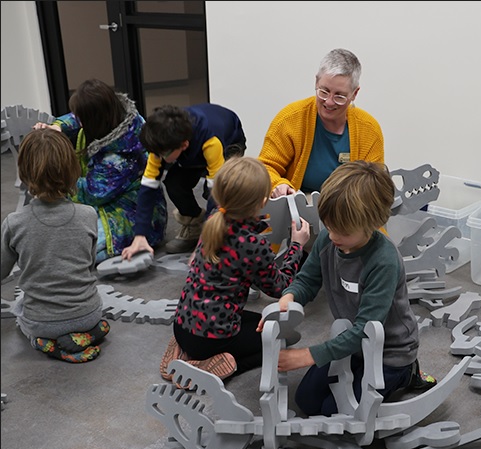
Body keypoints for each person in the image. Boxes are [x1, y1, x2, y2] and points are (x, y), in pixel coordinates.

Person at [266, 161, 436, 418]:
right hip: (351, 342)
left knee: (337, 414)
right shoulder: (328, 238)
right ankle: (358, 369)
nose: (332, 235)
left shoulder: (384, 261)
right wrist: (290, 297)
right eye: (329, 225)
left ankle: (407, 374)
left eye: (342, 231)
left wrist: (308, 356)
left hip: (389, 351)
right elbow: (308, 280)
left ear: (372, 223)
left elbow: (366, 330)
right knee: (307, 401)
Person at [160, 156, 310, 383]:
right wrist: (297, 246)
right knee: (278, 338)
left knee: (261, 321)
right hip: (210, 340)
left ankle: (183, 351)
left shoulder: (214, 219)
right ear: (262, 201)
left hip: (182, 327)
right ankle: (206, 366)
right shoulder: (251, 244)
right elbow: (279, 287)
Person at [1, 129, 110, 363]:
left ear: (24, 174)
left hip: (42, 322)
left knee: (20, 308)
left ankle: (45, 343)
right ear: (73, 170)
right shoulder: (88, 215)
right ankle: (92, 332)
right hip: (89, 313)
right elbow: (88, 264)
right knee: (88, 305)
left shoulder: (14, 223)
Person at [33, 78, 166, 263]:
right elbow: (76, 116)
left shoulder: (119, 156)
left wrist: (55, 179)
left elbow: (92, 193)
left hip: (134, 215)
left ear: (94, 119)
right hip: (111, 198)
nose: (78, 120)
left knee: (74, 249)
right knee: (63, 236)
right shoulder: (116, 111)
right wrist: (58, 126)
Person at [122, 103, 247, 258]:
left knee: (221, 192)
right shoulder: (162, 143)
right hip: (191, 148)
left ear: (184, 145)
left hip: (229, 141)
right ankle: (193, 224)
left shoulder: (211, 141)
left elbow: (217, 196)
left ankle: (223, 235)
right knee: (175, 183)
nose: (157, 158)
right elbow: (147, 189)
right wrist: (140, 236)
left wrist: (205, 245)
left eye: (162, 154)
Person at [257, 48, 384, 198]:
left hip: (348, 213)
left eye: (340, 96)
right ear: (316, 81)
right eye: (324, 91)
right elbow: (265, 167)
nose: (329, 102)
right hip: (297, 210)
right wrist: (278, 184)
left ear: (354, 93)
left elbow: (375, 188)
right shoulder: (290, 119)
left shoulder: (369, 130)